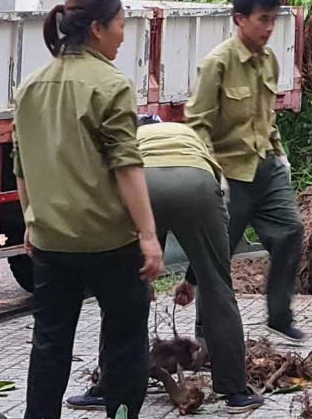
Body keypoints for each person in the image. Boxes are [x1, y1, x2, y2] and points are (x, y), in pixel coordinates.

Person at [12, 0, 164, 419]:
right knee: (124, 343)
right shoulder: (112, 85)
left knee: (50, 345)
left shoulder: (30, 86)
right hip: (109, 241)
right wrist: (149, 236)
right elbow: (127, 166)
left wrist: (31, 220)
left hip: (51, 240)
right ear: (97, 29)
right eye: (119, 26)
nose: (122, 35)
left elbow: (20, 164)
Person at [66, 116, 263, 414]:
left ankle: (108, 388)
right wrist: (194, 280)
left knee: (123, 290)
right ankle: (235, 392)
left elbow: (109, 186)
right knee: (218, 287)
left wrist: (136, 279)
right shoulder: (191, 138)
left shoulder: (132, 138)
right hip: (197, 182)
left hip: (143, 183)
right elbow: (217, 230)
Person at [185, 0, 305, 342]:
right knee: (218, 255)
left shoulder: (269, 60)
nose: (269, 28)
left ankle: (279, 316)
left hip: (266, 166)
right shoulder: (218, 63)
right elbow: (198, 122)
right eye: (262, 20)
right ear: (240, 19)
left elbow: (266, 114)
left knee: (291, 231)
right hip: (230, 173)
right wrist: (211, 172)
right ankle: (207, 332)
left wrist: (280, 153)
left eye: (273, 20)